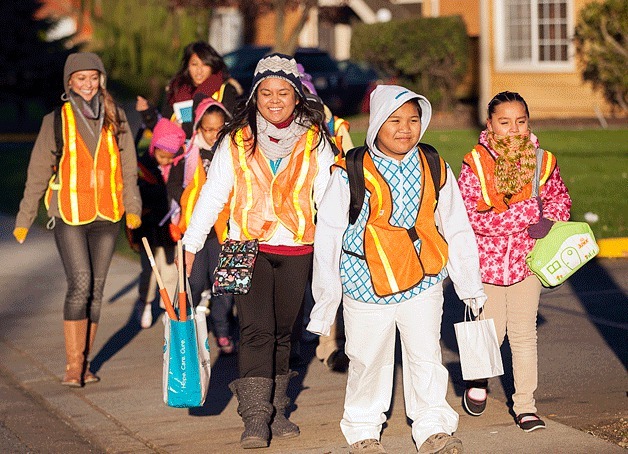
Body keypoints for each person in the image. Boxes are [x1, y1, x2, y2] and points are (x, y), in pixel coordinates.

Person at [307, 85, 487, 454]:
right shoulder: (349, 172)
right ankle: (362, 429)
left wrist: (470, 284)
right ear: (376, 124)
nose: (405, 129)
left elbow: (454, 224)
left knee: (426, 356)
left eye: (413, 120)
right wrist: (326, 301)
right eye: (394, 120)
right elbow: (328, 236)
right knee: (367, 358)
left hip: (423, 280)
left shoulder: (434, 165)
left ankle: (433, 426)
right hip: (366, 284)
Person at [182, 53, 335, 449]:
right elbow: (213, 192)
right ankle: (254, 417)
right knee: (255, 330)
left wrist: (339, 240)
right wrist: (192, 242)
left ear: (297, 96)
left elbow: (328, 195)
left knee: (285, 333)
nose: (274, 100)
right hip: (243, 246)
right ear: (254, 96)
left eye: (283, 92)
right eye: (266, 93)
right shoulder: (236, 139)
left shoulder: (315, 138)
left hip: (297, 245)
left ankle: (278, 408)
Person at [13, 52, 142, 387]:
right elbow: (38, 169)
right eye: (80, 78)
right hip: (70, 212)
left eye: (93, 77)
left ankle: (85, 364)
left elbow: (129, 169)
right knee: (81, 283)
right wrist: (25, 217)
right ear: (69, 81)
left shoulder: (117, 118)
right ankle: (73, 366)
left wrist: (133, 207)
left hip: (108, 213)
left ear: (101, 79)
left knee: (96, 290)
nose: (88, 84)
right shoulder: (55, 120)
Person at [457, 91, 571, 432]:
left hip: (527, 263)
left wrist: (549, 219)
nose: (513, 129)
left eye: (520, 122)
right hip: (487, 267)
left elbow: (559, 199)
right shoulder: (475, 162)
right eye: (504, 122)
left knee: (523, 335)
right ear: (490, 124)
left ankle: (525, 405)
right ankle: (478, 380)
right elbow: (470, 217)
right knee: (491, 333)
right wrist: (524, 214)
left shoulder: (542, 161)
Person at [178, 94, 236, 354]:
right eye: (208, 129)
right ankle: (187, 333)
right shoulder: (189, 154)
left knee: (224, 286)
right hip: (197, 230)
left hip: (226, 230)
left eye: (220, 129)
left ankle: (223, 332)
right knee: (194, 282)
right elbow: (174, 185)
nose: (214, 135)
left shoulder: (235, 152)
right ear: (199, 128)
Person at [131, 118, 186, 328]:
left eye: (169, 157)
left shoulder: (177, 167)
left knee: (171, 271)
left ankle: (168, 310)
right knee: (150, 272)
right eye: (162, 155)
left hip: (169, 229)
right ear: (153, 148)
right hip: (148, 228)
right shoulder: (142, 167)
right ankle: (145, 302)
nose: (165, 160)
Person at [136, 41, 243, 138]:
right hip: (179, 153)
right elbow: (162, 129)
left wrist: (188, 128)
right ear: (187, 66)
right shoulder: (175, 89)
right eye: (194, 64)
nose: (199, 70)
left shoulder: (225, 90)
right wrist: (148, 113)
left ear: (213, 66)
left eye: (205, 65)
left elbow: (231, 126)